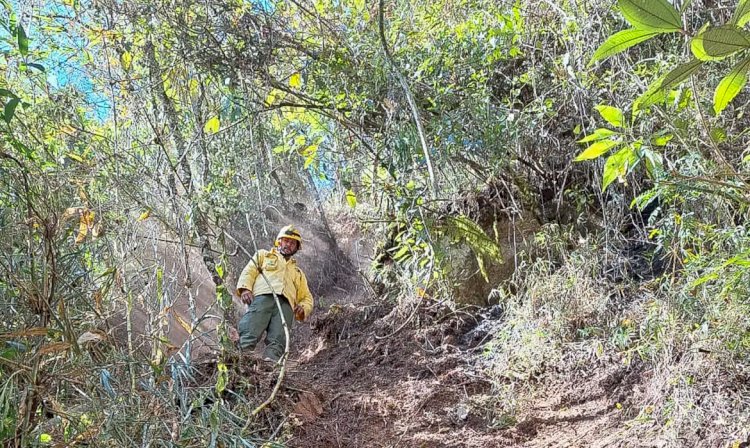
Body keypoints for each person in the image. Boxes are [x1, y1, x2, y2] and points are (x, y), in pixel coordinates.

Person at [235, 225, 314, 362]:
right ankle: (241, 362)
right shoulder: (263, 255)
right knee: (250, 329)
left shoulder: (298, 273)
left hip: (286, 307)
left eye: (292, 243)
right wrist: (245, 289)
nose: (288, 245)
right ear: (279, 241)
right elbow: (249, 271)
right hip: (262, 298)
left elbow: (307, 298)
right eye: (286, 241)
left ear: (296, 248)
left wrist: (302, 308)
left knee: (278, 339)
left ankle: (269, 368)